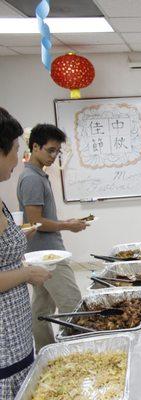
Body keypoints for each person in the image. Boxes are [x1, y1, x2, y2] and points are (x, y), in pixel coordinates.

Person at [17, 123, 86, 351]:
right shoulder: (32, 179)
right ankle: (79, 351)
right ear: (35, 146)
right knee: (73, 305)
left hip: (40, 252)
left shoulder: (37, 175)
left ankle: (47, 350)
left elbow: (39, 218)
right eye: (50, 150)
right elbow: (35, 221)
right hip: (49, 256)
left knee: (41, 309)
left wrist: (65, 223)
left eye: (57, 151)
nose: (54, 156)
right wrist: (67, 225)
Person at [0, 108, 51, 398]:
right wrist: (28, 273)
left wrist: (17, 236)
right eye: (16, 149)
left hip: (15, 325)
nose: (19, 159)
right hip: (4, 333)